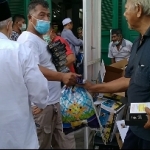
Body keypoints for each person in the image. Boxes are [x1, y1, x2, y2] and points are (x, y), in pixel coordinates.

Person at [83, 0, 150, 149]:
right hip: (136, 119)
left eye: (126, 9)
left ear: (138, 10)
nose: (125, 14)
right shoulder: (137, 42)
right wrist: (94, 87)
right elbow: (128, 79)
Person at [17, 0, 77, 149]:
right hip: (42, 106)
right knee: (41, 144)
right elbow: (33, 69)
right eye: (41, 15)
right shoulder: (27, 40)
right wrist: (62, 77)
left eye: (48, 16)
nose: (46, 19)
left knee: (65, 141)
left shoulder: (40, 39)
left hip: (54, 101)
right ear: (30, 18)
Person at [0, 0, 49, 148]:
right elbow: (38, 89)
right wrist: (41, 103)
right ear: (9, 25)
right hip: (17, 134)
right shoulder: (19, 50)